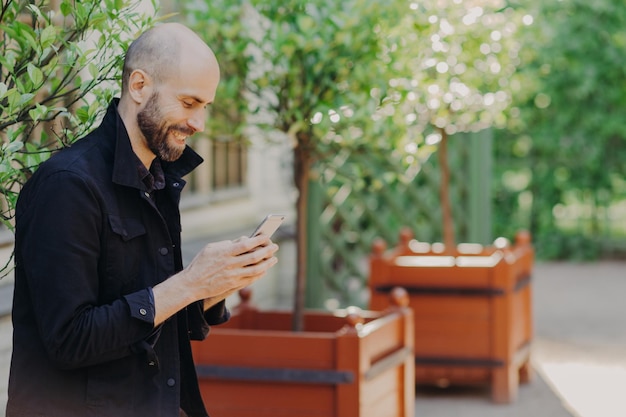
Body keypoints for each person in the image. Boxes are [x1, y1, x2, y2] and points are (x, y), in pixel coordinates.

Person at [6, 22, 279, 417]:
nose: (199, 124)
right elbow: (68, 340)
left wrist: (215, 286)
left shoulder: (158, 179)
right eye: (188, 103)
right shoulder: (66, 186)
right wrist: (189, 283)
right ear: (138, 86)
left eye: (205, 106)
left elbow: (156, 319)